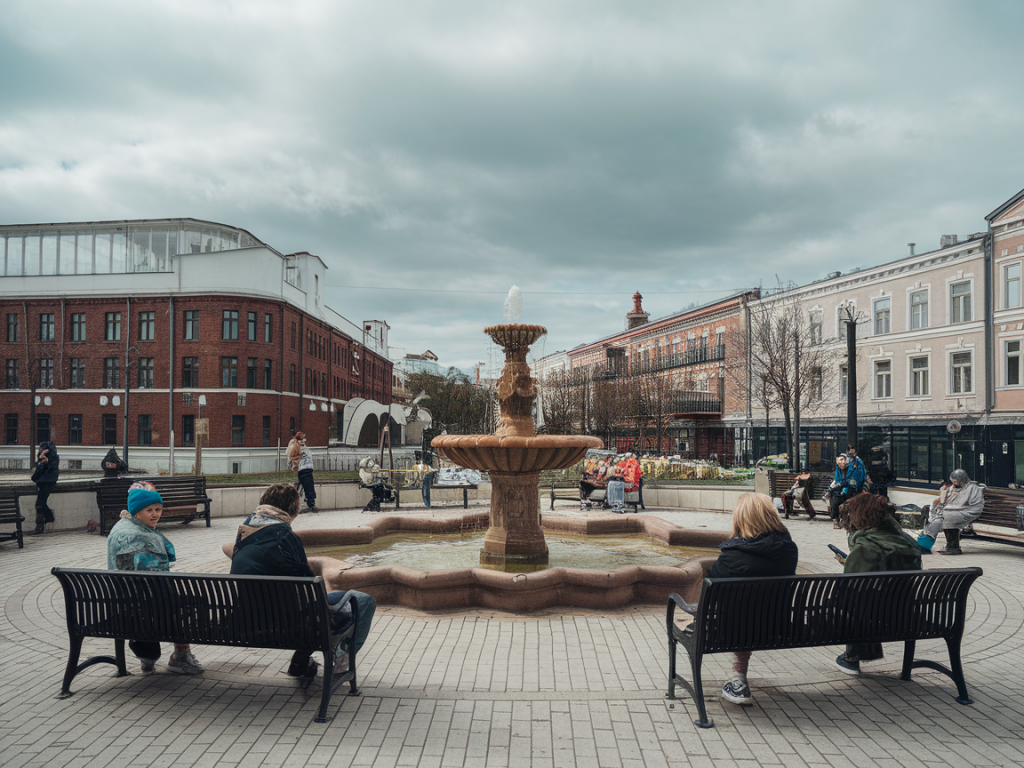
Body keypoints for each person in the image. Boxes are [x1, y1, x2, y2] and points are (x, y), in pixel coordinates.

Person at [229, 483, 376, 678]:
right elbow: (310, 589)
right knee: (364, 601)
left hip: (248, 621)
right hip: (287, 625)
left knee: (308, 610)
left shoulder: (244, 533)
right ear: (293, 510)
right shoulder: (284, 536)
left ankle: (301, 662)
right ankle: (341, 664)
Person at [708, 493, 799, 704]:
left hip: (734, 632)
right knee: (746, 611)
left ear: (740, 519)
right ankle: (739, 678)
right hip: (777, 628)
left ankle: (739, 680)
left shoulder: (733, 555)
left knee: (738, 613)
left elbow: (712, 594)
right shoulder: (789, 550)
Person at [106, 483, 205, 675]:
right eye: (149, 510)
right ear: (136, 511)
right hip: (145, 609)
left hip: (123, 604)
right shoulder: (141, 536)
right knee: (192, 603)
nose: (155, 515)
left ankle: (148, 657)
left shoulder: (121, 527)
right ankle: (181, 656)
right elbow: (156, 584)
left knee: (170, 600)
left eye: (158, 509)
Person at [833, 493, 922, 674]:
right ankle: (856, 655)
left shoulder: (866, 547)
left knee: (854, 601)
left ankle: (852, 656)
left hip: (875, 620)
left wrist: (851, 563)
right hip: (906, 616)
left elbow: (848, 593)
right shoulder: (908, 544)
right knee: (867, 601)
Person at [917, 469, 984, 555]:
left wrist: (954, 508)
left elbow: (976, 506)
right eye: (952, 481)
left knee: (948, 517)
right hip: (950, 511)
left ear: (961, 480)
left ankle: (954, 547)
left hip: (967, 511)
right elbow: (944, 501)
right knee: (938, 519)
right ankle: (926, 543)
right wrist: (943, 493)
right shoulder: (953, 488)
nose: (953, 483)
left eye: (955, 481)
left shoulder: (973, 489)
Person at [31, 440, 60, 534]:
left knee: (39, 504)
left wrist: (46, 462)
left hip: (47, 482)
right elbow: (35, 476)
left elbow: (51, 469)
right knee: (41, 504)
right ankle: (48, 519)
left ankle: (41, 525)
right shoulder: (42, 461)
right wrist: (42, 463)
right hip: (43, 482)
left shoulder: (53, 459)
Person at [826, 454, 858, 529]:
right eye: (840, 461)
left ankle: (848, 521)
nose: (842, 463)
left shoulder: (851, 469)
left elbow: (852, 481)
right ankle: (836, 521)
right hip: (839, 489)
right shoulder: (838, 470)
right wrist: (829, 491)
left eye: (843, 460)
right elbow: (836, 481)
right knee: (834, 501)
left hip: (850, 488)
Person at [287, 432, 317, 513]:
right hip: (306, 469)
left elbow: (290, 459)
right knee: (308, 487)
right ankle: (310, 504)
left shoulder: (298, 447)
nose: (304, 440)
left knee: (303, 486)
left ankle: (305, 503)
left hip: (303, 469)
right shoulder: (300, 448)